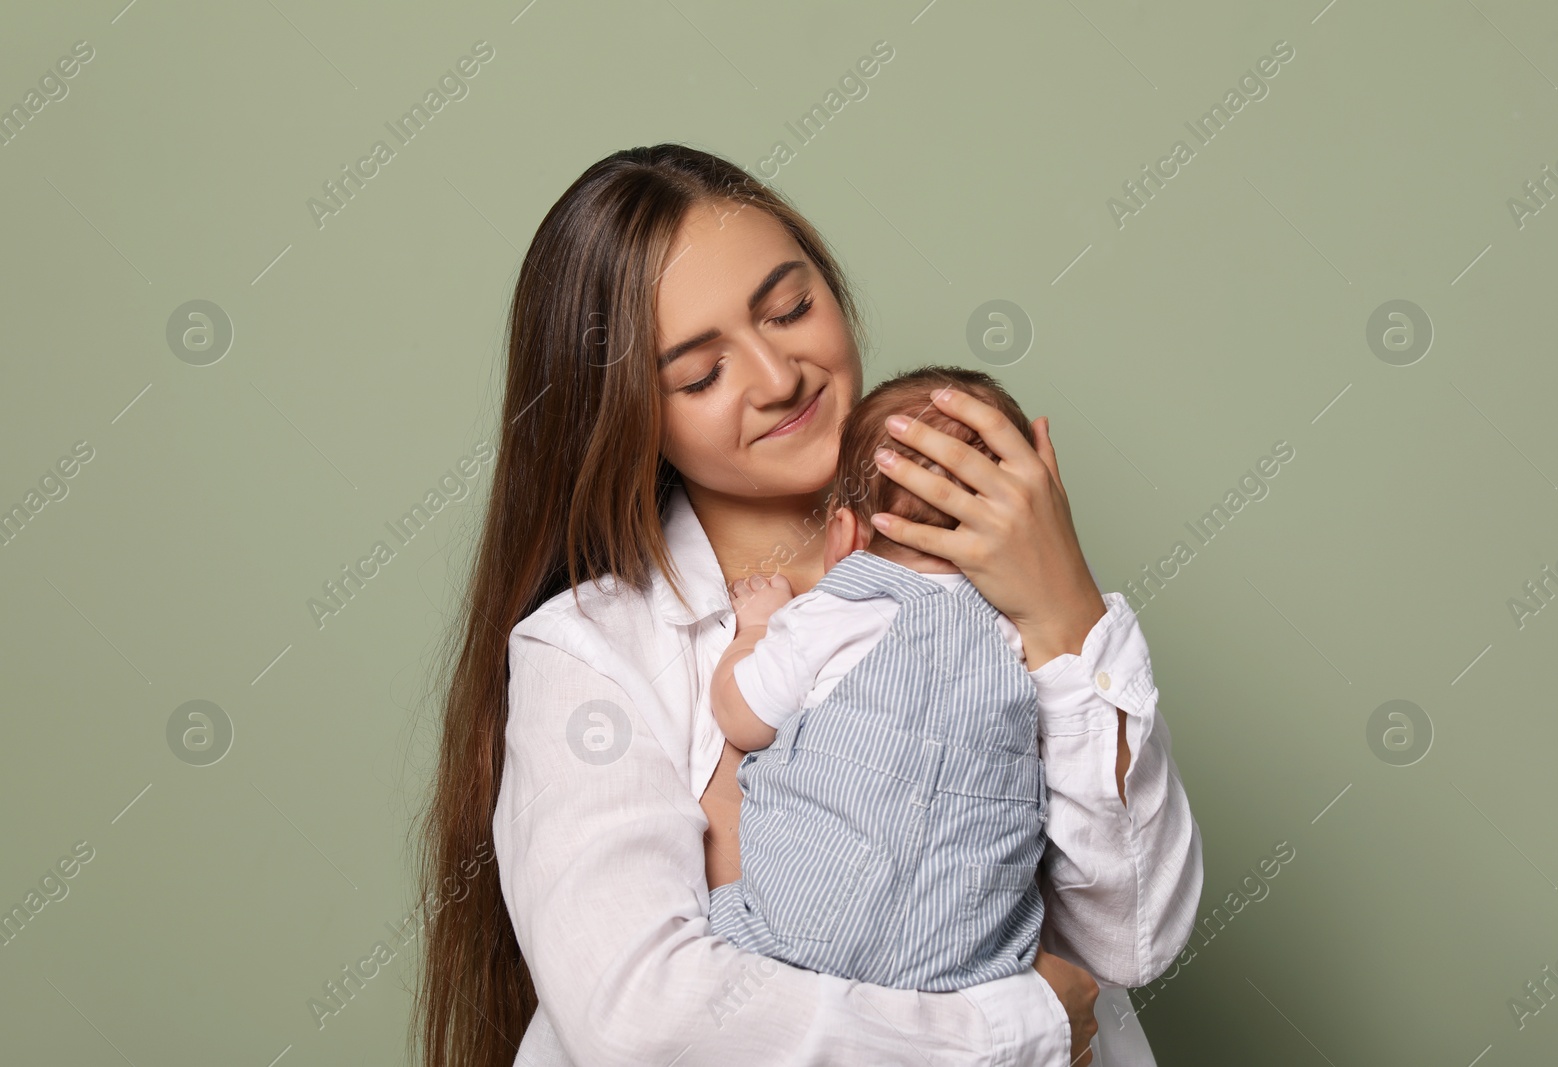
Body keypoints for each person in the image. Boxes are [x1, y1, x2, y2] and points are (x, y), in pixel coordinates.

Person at [411, 143, 1203, 1067]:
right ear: (627, 415)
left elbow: (1131, 938)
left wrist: (1066, 614)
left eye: (791, 309)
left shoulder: (983, 574)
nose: (778, 376)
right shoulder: (590, 651)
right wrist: (1006, 1033)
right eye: (701, 375)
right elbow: (642, 1017)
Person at [706, 367, 1059, 993]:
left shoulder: (837, 610)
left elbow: (742, 716)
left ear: (845, 534)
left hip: (791, 938)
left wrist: (759, 628)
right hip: (966, 967)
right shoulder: (1023, 639)